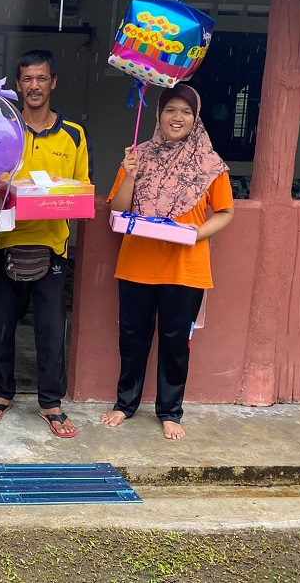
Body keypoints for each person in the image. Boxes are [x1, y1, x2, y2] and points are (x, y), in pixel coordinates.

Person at [101, 83, 234, 440]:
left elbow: (225, 212)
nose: (178, 117)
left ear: (196, 118)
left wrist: (194, 234)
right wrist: (130, 173)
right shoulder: (138, 155)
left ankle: (170, 411)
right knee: (132, 338)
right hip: (137, 264)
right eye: (171, 110)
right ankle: (125, 403)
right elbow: (117, 209)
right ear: (158, 115)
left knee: (176, 343)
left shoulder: (210, 164)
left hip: (184, 267)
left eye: (186, 111)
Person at [0, 50, 92, 438]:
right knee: (1, 326)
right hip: (5, 243)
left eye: (42, 78)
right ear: (19, 84)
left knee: (49, 329)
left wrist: (61, 199)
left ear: (53, 82)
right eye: (27, 79)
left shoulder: (74, 134)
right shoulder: (4, 130)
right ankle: (2, 393)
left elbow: (80, 190)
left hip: (52, 245)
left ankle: (50, 402)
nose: (34, 86)